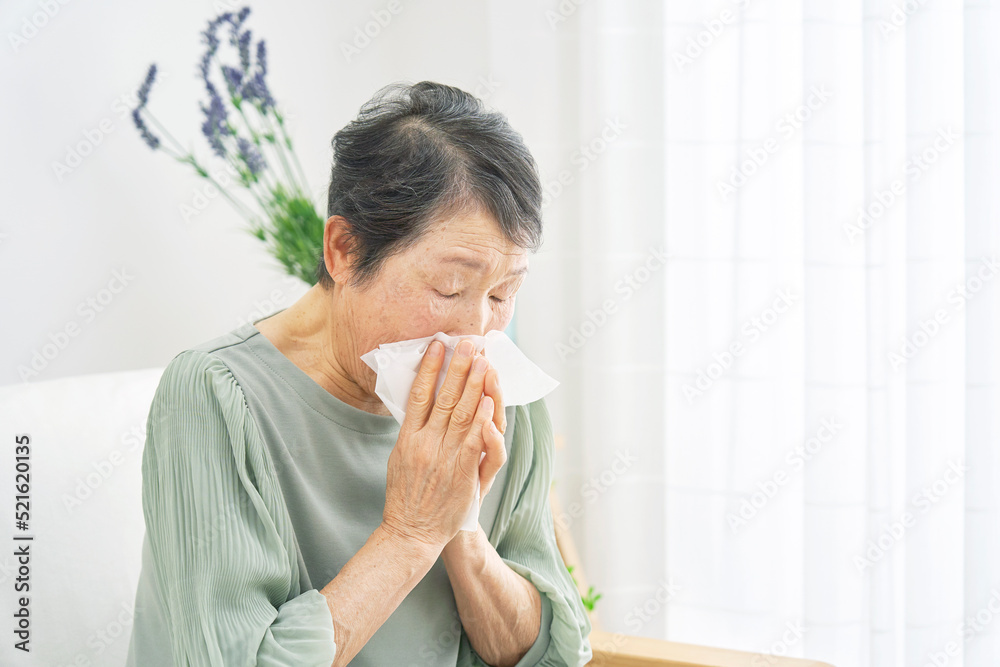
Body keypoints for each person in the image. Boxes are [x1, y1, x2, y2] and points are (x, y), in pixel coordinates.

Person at [125, 80, 593, 666]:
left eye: (503, 292)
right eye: (449, 287)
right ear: (344, 249)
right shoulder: (217, 398)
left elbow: (553, 652)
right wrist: (411, 533)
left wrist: (461, 527)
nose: (477, 334)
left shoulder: (504, 395)